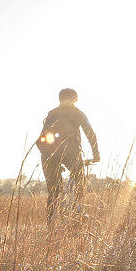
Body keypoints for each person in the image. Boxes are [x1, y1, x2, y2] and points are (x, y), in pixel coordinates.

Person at [36, 88, 100, 225]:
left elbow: (40, 140)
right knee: (80, 181)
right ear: (75, 99)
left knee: (53, 192)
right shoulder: (77, 113)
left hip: (48, 154)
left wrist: (50, 159)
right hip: (71, 152)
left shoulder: (52, 113)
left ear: (60, 99)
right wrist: (96, 154)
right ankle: (77, 214)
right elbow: (90, 134)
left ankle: (50, 226)